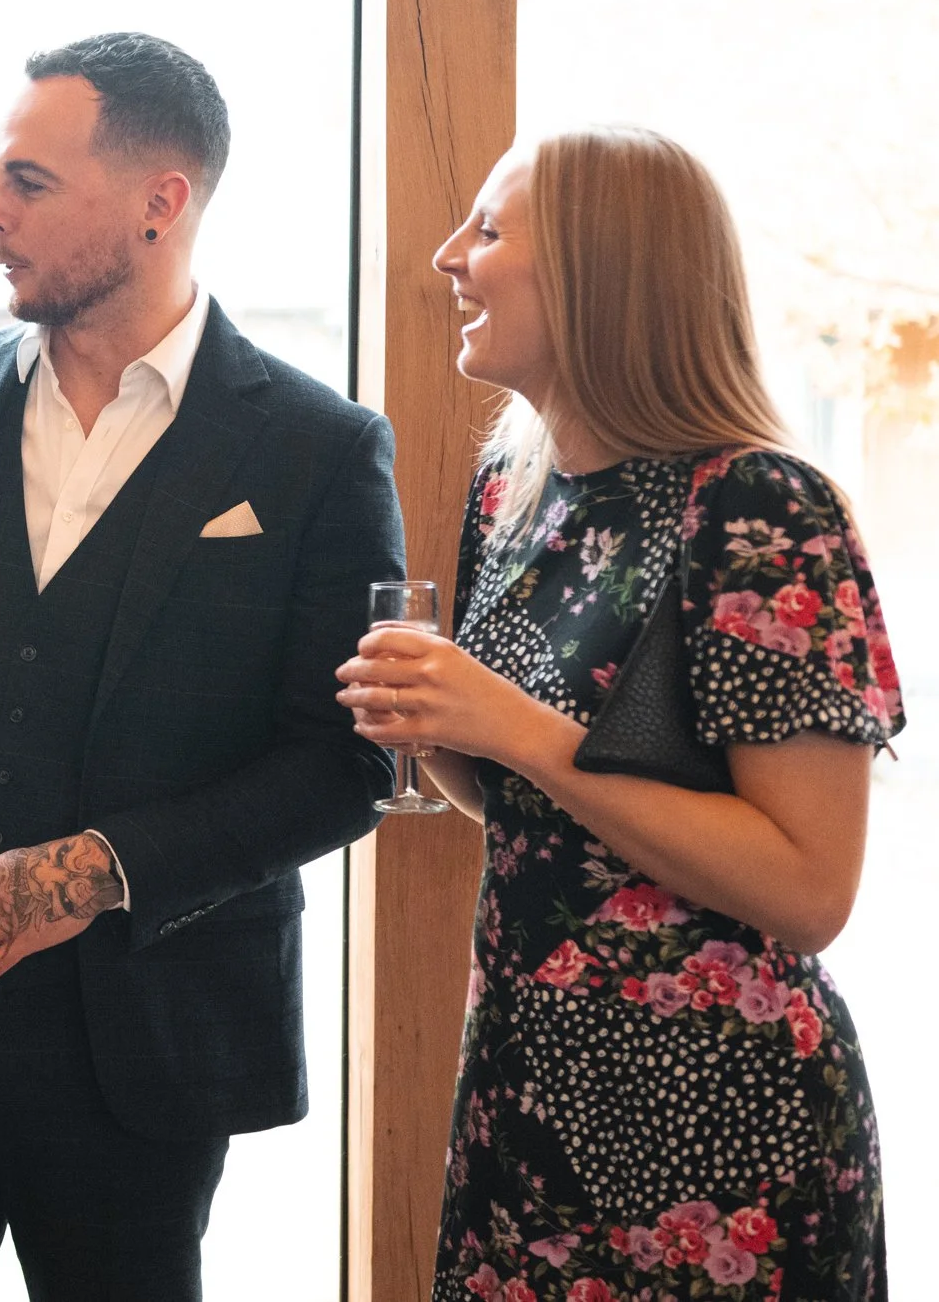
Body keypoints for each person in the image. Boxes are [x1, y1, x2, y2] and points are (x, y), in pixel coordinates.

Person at [0, 32, 403, 1301]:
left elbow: (346, 763)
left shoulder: (318, 445)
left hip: (139, 1043)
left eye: (27, 181)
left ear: (162, 202)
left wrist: (93, 872)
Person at [336, 126, 899, 1301]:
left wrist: (515, 724)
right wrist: (436, 727)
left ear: (604, 271)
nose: (448, 255)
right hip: (527, 1095)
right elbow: (526, 805)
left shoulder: (759, 506)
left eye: (488, 230)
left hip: (719, 1132)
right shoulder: (514, 487)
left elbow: (809, 887)